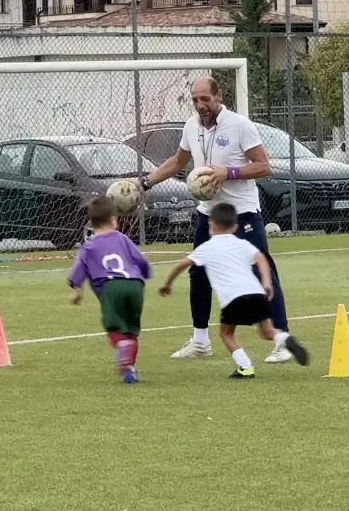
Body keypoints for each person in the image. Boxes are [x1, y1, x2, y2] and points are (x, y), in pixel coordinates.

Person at [134, 76, 293, 364]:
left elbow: (264, 166)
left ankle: (282, 339)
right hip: (208, 215)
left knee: (262, 270)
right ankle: (200, 341)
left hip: (242, 213)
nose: (200, 105)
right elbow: (177, 162)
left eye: (205, 99)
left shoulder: (240, 125)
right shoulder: (191, 127)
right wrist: (144, 183)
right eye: (195, 100)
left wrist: (227, 173)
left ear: (219, 96)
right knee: (198, 273)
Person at [158, 203, 309, 378]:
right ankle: (284, 339)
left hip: (233, 299)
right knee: (268, 331)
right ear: (235, 227)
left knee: (226, 333)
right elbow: (261, 258)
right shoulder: (242, 243)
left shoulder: (206, 248)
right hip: (257, 294)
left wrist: (167, 283)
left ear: (211, 224)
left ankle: (245, 367)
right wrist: (267, 283)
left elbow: (182, 264)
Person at [67, 196, 152, 384]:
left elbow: (79, 269)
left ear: (92, 223)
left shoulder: (89, 247)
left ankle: (123, 348)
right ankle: (130, 370)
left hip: (111, 287)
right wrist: (145, 274)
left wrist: (77, 291)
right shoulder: (123, 239)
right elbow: (140, 260)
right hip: (135, 285)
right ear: (114, 219)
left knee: (114, 327)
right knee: (131, 330)